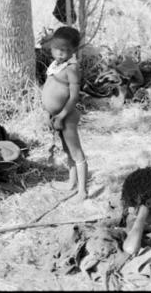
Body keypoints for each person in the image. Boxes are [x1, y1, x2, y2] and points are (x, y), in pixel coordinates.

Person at [41, 26, 88, 201]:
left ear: (73, 50)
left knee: (76, 152)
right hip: (55, 116)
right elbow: (49, 88)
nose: (59, 53)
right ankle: (71, 182)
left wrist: (61, 115)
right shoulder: (55, 65)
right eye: (56, 49)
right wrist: (48, 112)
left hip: (67, 117)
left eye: (65, 50)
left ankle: (82, 191)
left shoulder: (71, 68)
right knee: (67, 151)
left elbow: (74, 96)